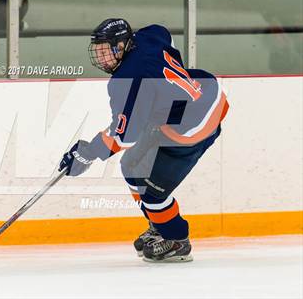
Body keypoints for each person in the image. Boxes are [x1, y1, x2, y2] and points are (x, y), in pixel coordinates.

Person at [59, 18, 229, 262]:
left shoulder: (126, 80)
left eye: (106, 52)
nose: (102, 60)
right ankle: (160, 226)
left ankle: (177, 240)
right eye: (99, 52)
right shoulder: (146, 37)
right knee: (131, 166)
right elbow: (165, 34)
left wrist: (88, 152)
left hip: (193, 126)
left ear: (122, 45)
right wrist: (165, 94)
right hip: (203, 92)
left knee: (151, 192)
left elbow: (125, 137)